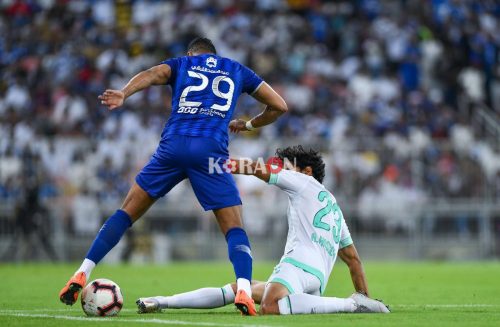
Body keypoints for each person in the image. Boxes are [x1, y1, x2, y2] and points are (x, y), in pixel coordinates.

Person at [58, 37, 288, 316]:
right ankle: (243, 288)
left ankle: (82, 272)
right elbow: (279, 106)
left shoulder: (183, 63)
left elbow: (152, 74)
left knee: (126, 213)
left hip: (173, 147)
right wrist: (250, 124)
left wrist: (124, 93)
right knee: (234, 227)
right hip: (211, 153)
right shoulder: (237, 69)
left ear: (191, 53)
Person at [136, 146, 390, 315]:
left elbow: (258, 168)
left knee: (269, 306)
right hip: (316, 280)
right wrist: (367, 297)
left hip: (298, 264)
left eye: (287, 166)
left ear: (307, 171)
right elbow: (354, 260)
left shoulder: (303, 181)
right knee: (240, 289)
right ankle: (161, 301)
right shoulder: (333, 207)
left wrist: (214, 164)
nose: (282, 169)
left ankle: (348, 305)